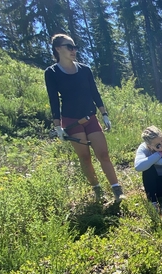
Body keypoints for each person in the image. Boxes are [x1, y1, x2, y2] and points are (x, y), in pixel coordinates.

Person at [44, 33, 124, 202]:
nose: (74, 51)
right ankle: (97, 190)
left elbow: (95, 93)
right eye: (69, 47)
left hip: (90, 117)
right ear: (58, 49)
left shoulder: (85, 69)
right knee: (85, 157)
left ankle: (117, 189)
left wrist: (104, 114)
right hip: (71, 121)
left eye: (75, 47)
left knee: (103, 154)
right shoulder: (51, 72)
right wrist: (58, 126)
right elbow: (53, 99)